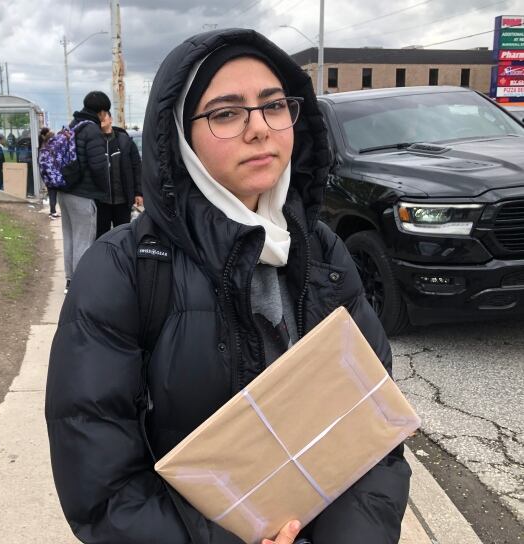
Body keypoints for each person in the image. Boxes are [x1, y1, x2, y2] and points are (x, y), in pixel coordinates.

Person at [46, 28, 410, 544]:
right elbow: (101, 487)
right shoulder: (123, 271)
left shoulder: (323, 251)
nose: (259, 129)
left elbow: (373, 431)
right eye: (225, 113)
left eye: (274, 105)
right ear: (179, 137)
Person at [56, 90, 110, 293]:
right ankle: (81, 285)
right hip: (83, 193)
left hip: (64, 191)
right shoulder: (92, 130)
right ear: (102, 112)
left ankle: (70, 281)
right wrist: (105, 189)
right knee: (83, 238)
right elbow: (98, 166)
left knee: (69, 236)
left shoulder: (72, 126)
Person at [95, 110, 144, 238]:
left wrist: (139, 192)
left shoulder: (125, 141)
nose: (101, 118)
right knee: (102, 236)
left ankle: (122, 258)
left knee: (122, 235)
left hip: (123, 199)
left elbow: (137, 167)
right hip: (101, 201)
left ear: (111, 119)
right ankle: (103, 258)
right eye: (98, 116)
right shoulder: (94, 142)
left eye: (103, 115)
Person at [38, 127, 60, 219]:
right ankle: (53, 212)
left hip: (46, 174)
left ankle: (53, 211)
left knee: (52, 193)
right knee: (53, 193)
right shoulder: (50, 148)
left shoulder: (43, 147)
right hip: (52, 174)